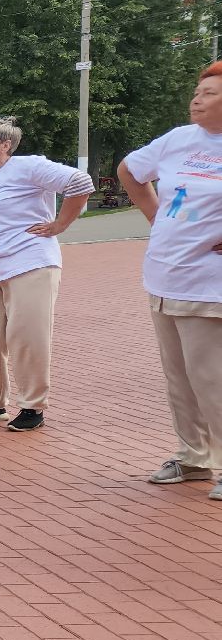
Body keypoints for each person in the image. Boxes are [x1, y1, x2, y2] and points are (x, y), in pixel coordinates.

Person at [117, 62, 222, 501]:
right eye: (198, 90)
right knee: (178, 377)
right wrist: (154, 214)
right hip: (163, 277)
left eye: (210, 93)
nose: (197, 98)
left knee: (210, 376)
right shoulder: (179, 139)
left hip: (208, 284)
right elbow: (129, 171)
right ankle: (194, 457)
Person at [0, 117, 94, 432]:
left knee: (26, 336)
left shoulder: (28, 166)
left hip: (29, 262)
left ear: (6, 145)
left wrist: (59, 225)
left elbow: (81, 183)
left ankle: (32, 406)